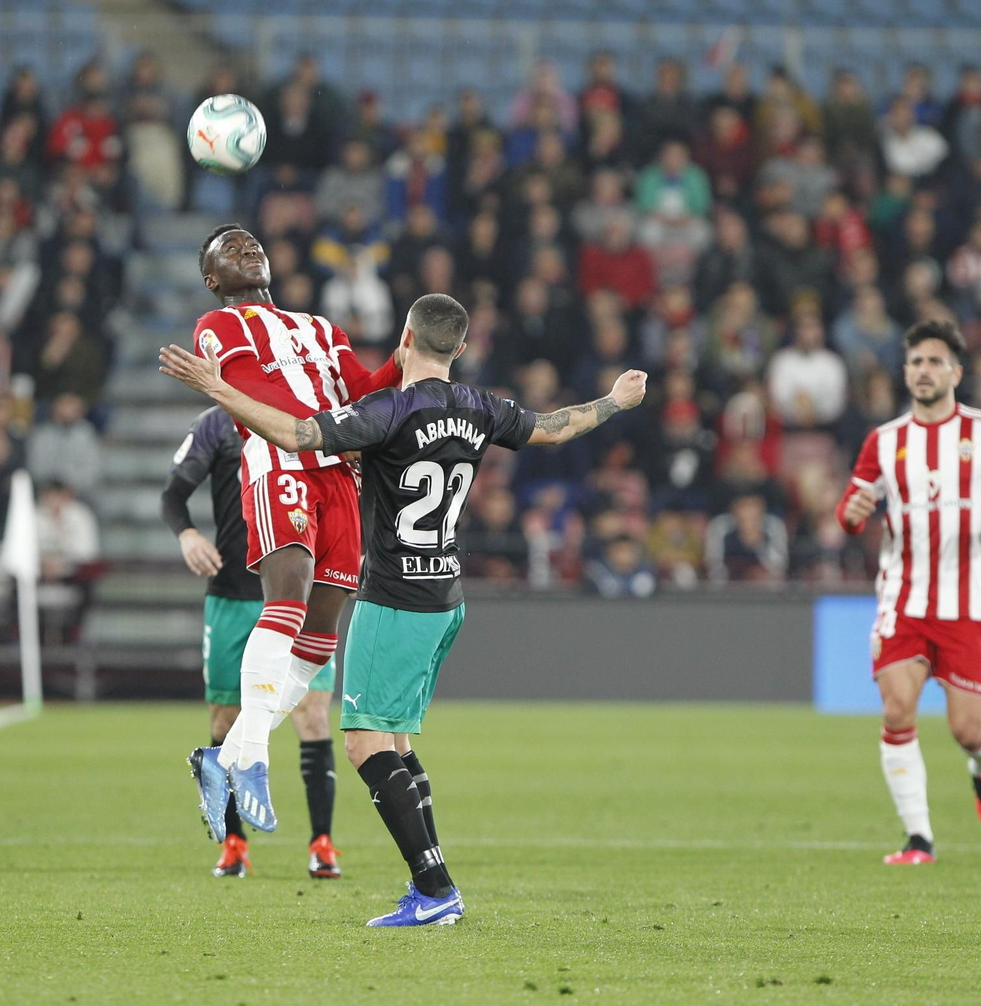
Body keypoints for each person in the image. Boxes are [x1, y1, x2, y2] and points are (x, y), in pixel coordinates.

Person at [160, 292, 646, 926]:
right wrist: (613, 401)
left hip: (394, 601)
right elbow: (554, 428)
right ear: (461, 348)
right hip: (446, 597)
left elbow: (294, 434)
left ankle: (435, 888)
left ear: (405, 339)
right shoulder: (481, 407)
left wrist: (217, 386)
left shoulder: (385, 410)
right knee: (398, 741)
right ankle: (426, 878)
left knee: (364, 743)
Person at [176, 224, 403, 836]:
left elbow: (361, 390)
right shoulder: (217, 327)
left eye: (253, 243)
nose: (247, 248)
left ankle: (223, 756)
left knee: (321, 635)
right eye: (229, 248)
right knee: (288, 599)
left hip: (340, 481)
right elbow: (246, 391)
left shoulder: (322, 327)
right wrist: (332, 429)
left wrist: (401, 360)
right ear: (213, 278)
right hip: (282, 462)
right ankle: (250, 760)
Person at [835, 321, 981, 865]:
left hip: (966, 606)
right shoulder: (885, 440)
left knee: (966, 730)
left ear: (956, 372)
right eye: (915, 362)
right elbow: (851, 508)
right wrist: (851, 516)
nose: (924, 371)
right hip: (902, 600)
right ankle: (918, 839)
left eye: (934, 361)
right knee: (897, 709)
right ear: (905, 373)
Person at [161, 406, 342, 880]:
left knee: (314, 713)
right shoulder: (217, 424)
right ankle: (234, 843)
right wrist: (186, 534)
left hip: (303, 589)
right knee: (227, 717)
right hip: (234, 596)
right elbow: (174, 494)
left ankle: (322, 843)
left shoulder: (318, 413)